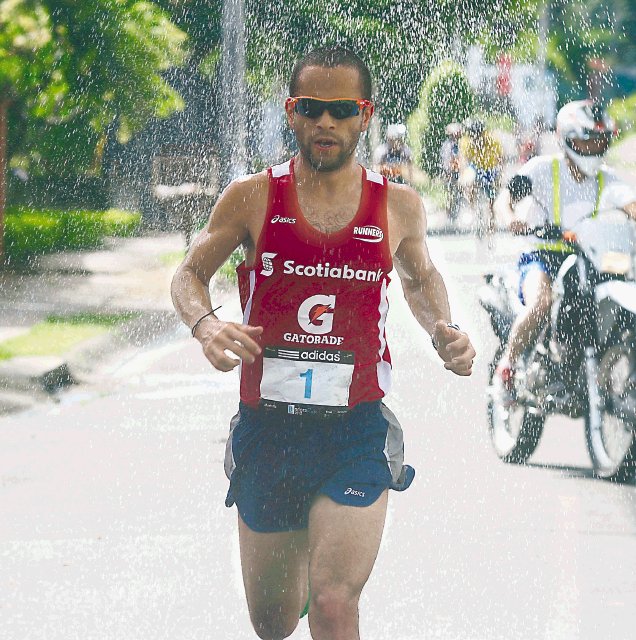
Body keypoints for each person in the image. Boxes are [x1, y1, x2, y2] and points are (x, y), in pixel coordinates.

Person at [171, 46, 476, 640]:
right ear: (291, 113)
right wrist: (206, 324)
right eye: (312, 109)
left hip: (354, 431)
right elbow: (188, 273)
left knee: (336, 605)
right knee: (273, 622)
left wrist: (445, 329)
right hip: (270, 431)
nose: (326, 124)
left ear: (365, 114)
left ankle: (330, 559)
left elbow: (419, 279)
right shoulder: (253, 197)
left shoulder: (398, 206)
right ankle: (311, 551)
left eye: (341, 110)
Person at [493, 99, 636, 400]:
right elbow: (506, 196)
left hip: (588, 259)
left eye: (600, 141)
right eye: (587, 141)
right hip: (542, 256)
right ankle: (507, 366)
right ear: (567, 139)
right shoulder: (543, 169)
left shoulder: (606, 178)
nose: (594, 148)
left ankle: (586, 361)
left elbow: (630, 202)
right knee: (541, 302)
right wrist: (511, 217)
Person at [459, 118, 504, 233]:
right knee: (469, 181)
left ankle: (491, 224)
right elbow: (465, 160)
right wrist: (463, 175)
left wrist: (499, 176)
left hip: (490, 170)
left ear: (482, 132)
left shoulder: (492, 140)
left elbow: (500, 159)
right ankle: (472, 206)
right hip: (477, 169)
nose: (475, 138)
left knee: (492, 201)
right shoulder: (468, 142)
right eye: (473, 136)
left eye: (477, 135)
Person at [439, 122, 463, 221]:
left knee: (458, 193)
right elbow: (446, 161)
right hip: (450, 173)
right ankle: (449, 215)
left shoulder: (460, 144)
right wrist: (448, 172)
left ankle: (457, 214)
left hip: (458, 172)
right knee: (449, 194)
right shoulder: (448, 145)